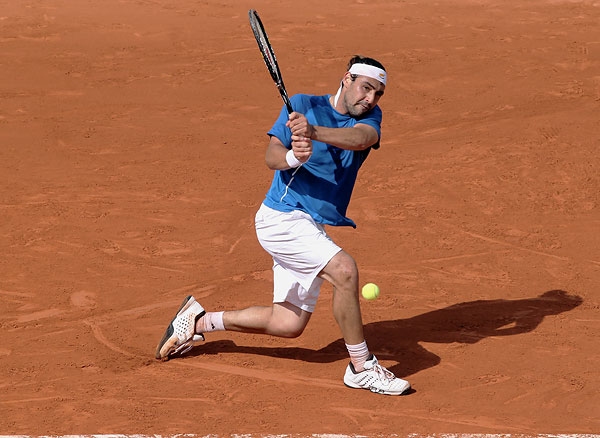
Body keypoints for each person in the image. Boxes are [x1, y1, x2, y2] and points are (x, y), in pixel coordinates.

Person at [155, 55, 411, 396]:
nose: (370, 98)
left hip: (310, 225)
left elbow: (361, 139)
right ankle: (361, 367)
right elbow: (271, 156)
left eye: (378, 93)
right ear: (346, 78)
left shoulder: (369, 118)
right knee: (344, 271)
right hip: (282, 218)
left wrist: (314, 133)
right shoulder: (304, 104)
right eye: (365, 88)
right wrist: (294, 156)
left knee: (288, 323)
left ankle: (199, 320)